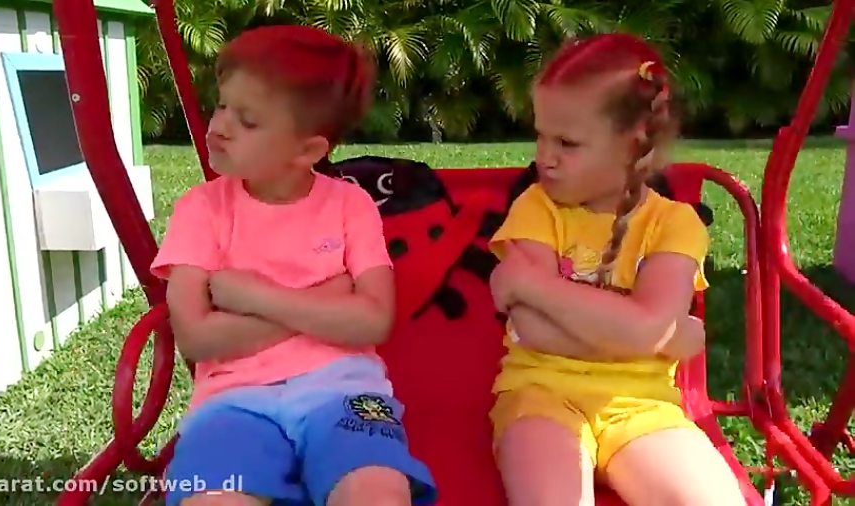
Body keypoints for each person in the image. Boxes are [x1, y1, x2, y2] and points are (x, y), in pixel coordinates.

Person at [150, 25, 436, 506]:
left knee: (377, 492)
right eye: (222, 105)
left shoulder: (350, 205)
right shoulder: (201, 210)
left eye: (248, 121)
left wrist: (253, 298)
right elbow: (196, 337)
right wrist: (326, 302)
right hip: (233, 399)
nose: (219, 126)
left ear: (308, 151)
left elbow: (373, 320)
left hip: (344, 390)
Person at [486, 33, 746, 506]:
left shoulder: (674, 224)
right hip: (541, 396)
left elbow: (645, 327)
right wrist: (660, 335)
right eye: (540, 135)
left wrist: (532, 284)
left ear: (633, 146)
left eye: (566, 142)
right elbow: (531, 329)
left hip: (644, 406)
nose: (544, 157)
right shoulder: (536, 208)